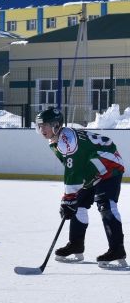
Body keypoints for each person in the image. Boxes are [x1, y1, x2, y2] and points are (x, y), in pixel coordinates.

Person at [36, 106, 126, 267]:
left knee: (106, 205)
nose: (41, 129)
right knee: (77, 206)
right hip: (92, 172)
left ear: (56, 125)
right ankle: (76, 245)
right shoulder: (56, 140)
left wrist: (68, 197)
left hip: (109, 169)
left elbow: (73, 170)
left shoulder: (67, 140)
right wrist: (71, 199)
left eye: (45, 125)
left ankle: (117, 250)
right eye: (40, 126)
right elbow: (75, 167)